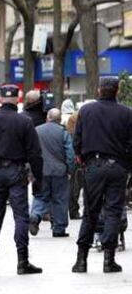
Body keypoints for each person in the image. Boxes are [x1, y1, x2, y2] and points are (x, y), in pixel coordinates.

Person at [0, 84, 43, 276]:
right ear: (18, 99)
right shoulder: (25, 121)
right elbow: (35, 153)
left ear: (0, 98)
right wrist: (38, 177)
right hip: (17, 171)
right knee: (20, 217)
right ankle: (22, 261)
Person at [72, 77, 132, 274]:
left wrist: (81, 158)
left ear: (99, 90)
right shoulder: (126, 113)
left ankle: (82, 259)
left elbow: (77, 140)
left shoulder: (87, 111)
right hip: (117, 167)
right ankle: (109, 259)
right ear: (117, 91)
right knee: (113, 212)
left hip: (94, 166)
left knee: (90, 212)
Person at [29, 108, 75, 238]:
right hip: (59, 171)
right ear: (59, 119)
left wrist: (31, 170)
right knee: (60, 199)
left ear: (47, 118)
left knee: (41, 196)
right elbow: (70, 153)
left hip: (41, 171)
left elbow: (31, 151)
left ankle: (36, 214)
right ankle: (59, 229)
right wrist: (70, 169)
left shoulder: (37, 131)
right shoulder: (63, 132)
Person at [67, 112, 83, 220]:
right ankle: (74, 211)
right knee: (76, 188)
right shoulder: (79, 135)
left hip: (72, 164)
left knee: (73, 187)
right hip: (79, 164)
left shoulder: (68, 135)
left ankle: (73, 209)